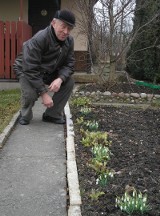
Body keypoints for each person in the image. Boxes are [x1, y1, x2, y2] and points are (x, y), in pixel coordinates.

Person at [13, 9, 76, 125]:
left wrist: (60, 78)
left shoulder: (69, 41)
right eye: (63, 27)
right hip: (26, 70)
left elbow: (69, 64)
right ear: (53, 23)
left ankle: (51, 115)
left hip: (48, 71)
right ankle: (25, 114)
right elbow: (30, 68)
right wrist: (44, 94)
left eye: (69, 29)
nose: (66, 32)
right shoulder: (40, 38)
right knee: (30, 95)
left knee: (69, 82)